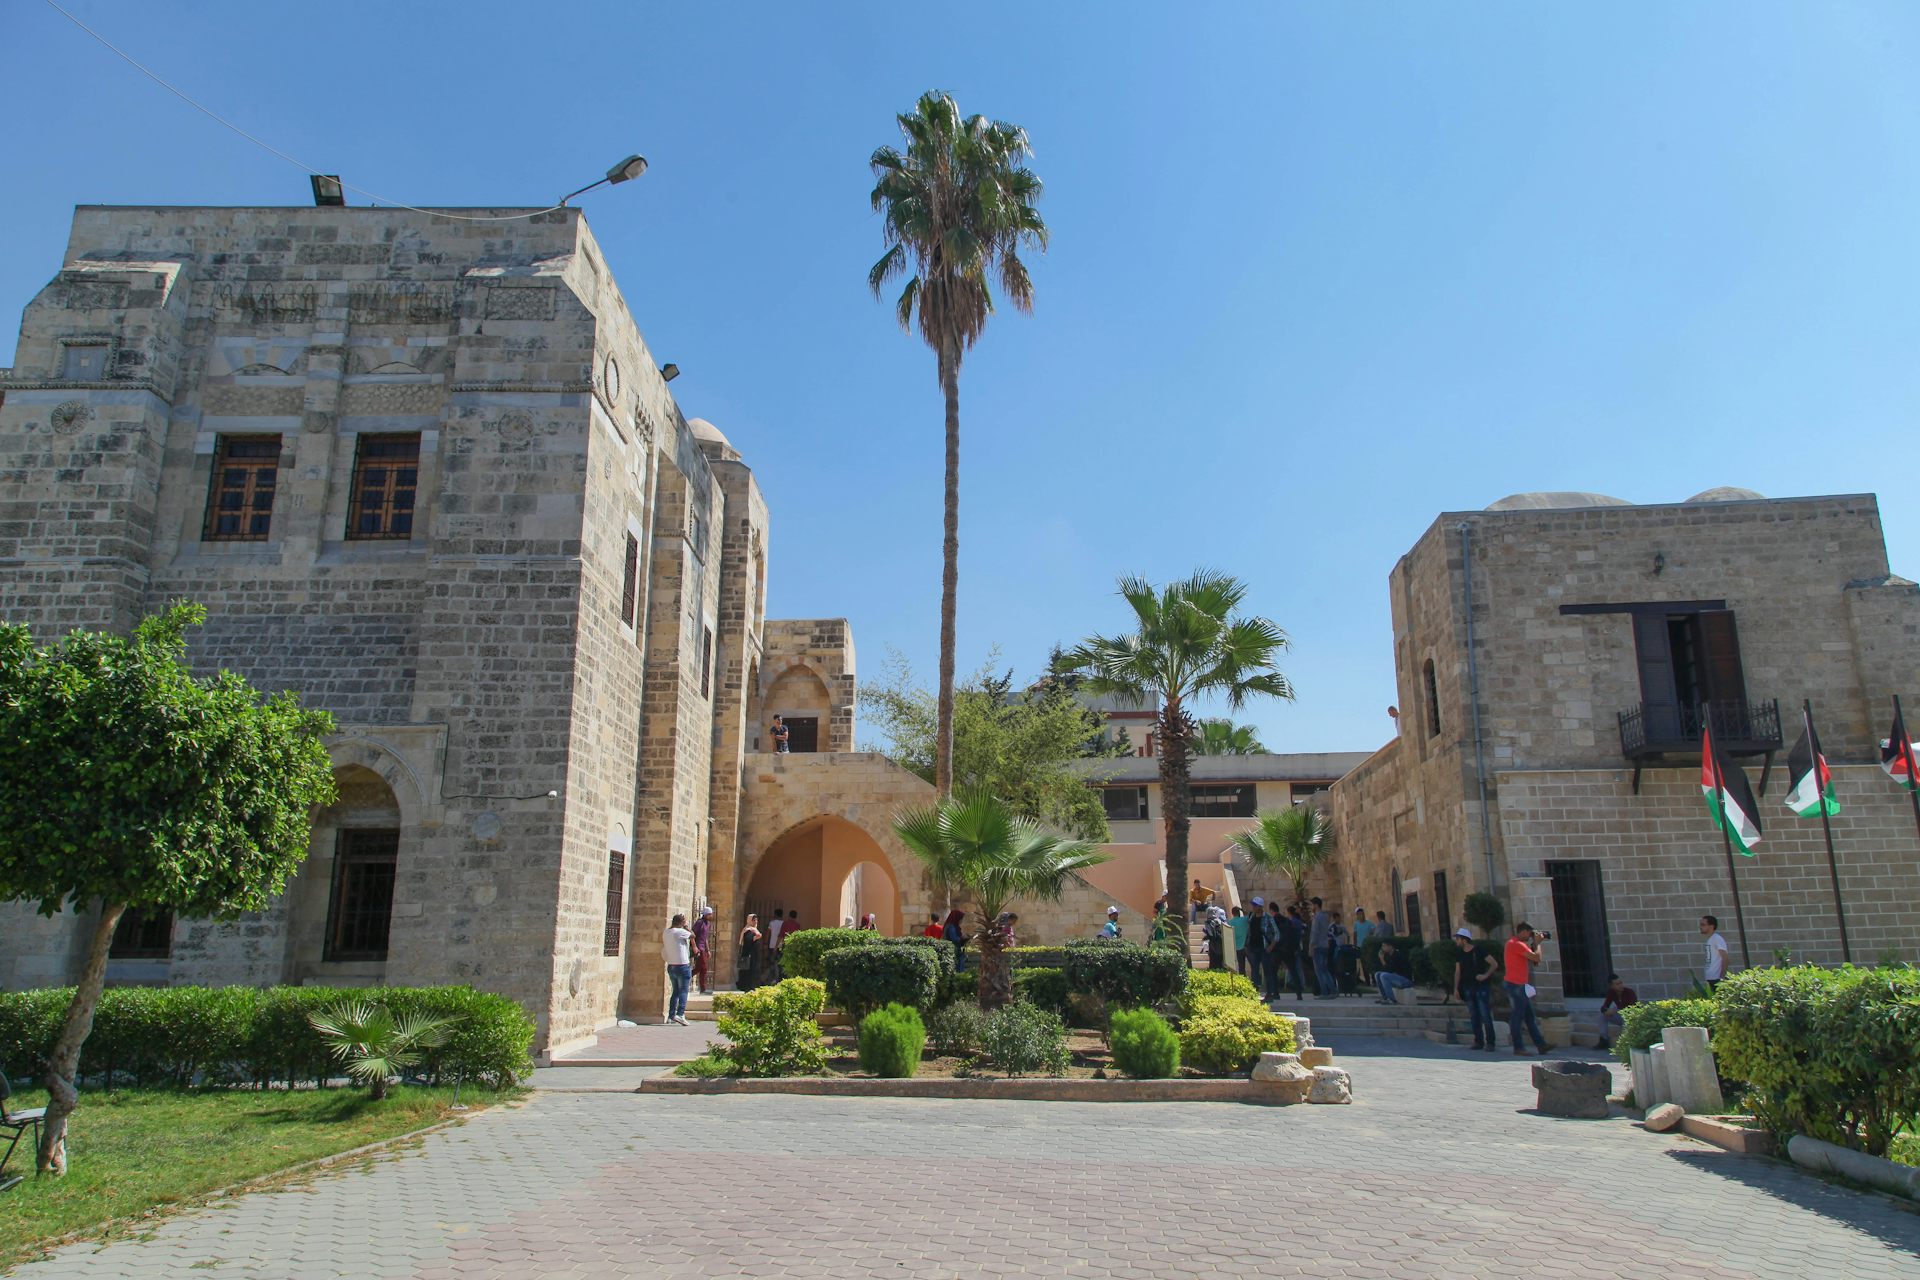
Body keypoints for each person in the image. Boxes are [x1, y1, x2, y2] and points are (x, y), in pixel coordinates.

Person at [1503, 921, 1550, 1057]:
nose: (1530, 937)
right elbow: (1537, 958)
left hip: (1520, 985)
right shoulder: (1516, 944)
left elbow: (1534, 961)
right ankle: (1518, 1047)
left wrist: (1535, 944)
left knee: (1530, 1017)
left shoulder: (1515, 944)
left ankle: (1541, 1045)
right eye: (1529, 934)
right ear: (1523, 931)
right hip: (1515, 985)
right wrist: (1538, 944)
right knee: (1517, 1017)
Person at [1453, 928, 1498, 1051]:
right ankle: (1478, 1041)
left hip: (1481, 986)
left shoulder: (1479, 950)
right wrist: (1456, 988)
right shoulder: (1460, 954)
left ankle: (1490, 1042)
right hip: (1467, 987)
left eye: (1458, 938)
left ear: (1464, 939)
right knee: (1474, 1015)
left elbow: (1494, 964)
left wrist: (1485, 975)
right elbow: (1458, 972)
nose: (1456, 941)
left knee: (1485, 1014)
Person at [662, 913, 694, 1024]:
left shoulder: (666, 932)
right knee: (684, 991)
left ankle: (671, 1016)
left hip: (671, 965)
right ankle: (680, 1014)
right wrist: (686, 927)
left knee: (675, 991)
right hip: (682, 965)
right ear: (681, 922)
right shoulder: (679, 932)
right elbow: (693, 935)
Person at [1597, 972, 1638, 1050]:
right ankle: (1604, 1040)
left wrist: (1615, 1010)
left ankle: (1624, 1044)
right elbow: (1604, 1007)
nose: (1620, 985)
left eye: (1620, 983)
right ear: (1612, 986)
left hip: (1631, 1017)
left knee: (1626, 1021)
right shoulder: (1612, 992)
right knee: (1602, 1016)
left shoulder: (1629, 992)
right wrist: (1606, 1011)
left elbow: (1632, 1008)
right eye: (1617, 984)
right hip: (1621, 1017)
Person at [1309, 898, 1337, 999]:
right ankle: (1333, 990)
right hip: (1325, 945)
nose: (1311, 907)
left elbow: (1315, 932)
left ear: (1316, 905)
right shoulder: (1326, 917)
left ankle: (1325, 992)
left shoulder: (1317, 917)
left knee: (1319, 971)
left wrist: (1311, 946)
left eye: (1312, 905)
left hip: (1318, 946)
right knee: (1325, 969)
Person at [1278, 903, 1306, 1000]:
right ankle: (1300, 986)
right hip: (1297, 946)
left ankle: (1294, 984)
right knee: (1297, 968)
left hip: (1291, 948)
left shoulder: (1290, 922)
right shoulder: (1298, 922)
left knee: (1294, 969)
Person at [1375, 939, 1415, 1004]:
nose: (1382, 948)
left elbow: (1389, 971)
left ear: (1390, 946)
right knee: (1378, 974)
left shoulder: (1397, 955)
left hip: (1406, 981)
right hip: (1398, 979)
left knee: (1383, 975)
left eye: (1384, 946)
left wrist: (1382, 959)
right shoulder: (1390, 956)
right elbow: (1387, 970)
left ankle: (1391, 999)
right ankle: (1385, 998)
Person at [1700, 915, 1730, 990]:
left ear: (1711, 926)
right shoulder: (1710, 940)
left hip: (1716, 979)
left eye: (1703, 925)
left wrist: (1722, 977)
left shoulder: (1717, 939)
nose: (1700, 927)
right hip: (1710, 978)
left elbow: (1725, 958)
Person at [690, 905, 714, 994]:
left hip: (703, 947)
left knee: (699, 968)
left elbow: (705, 938)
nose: (711, 916)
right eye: (710, 914)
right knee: (703, 968)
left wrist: (708, 949)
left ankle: (687, 976)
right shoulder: (699, 922)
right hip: (699, 947)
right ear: (706, 914)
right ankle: (703, 989)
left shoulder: (707, 924)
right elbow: (692, 933)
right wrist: (694, 946)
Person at [737, 913, 763, 989]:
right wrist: (755, 938)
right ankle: (748, 987)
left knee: (753, 971)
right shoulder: (748, 930)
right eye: (754, 920)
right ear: (750, 921)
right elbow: (747, 940)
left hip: (754, 955)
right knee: (749, 971)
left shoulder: (754, 929)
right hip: (749, 955)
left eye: (756, 920)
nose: (756, 922)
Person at [1230, 905, 1252, 977]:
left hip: (1238, 947)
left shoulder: (1230, 922)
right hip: (1247, 946)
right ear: (1239, 912)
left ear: (1232, 913)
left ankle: (1243, 981)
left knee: (1241, 967)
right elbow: (1251, 915)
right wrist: (1242, 910)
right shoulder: (1244, 919)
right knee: (1253, 965)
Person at [1204, 903, 1229, 969]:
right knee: (1220, 962)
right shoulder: (1219, 921)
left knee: (1213, 963)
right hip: (1221, 944)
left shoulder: (1208, 922)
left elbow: (1210, 934)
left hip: (1213, 944)